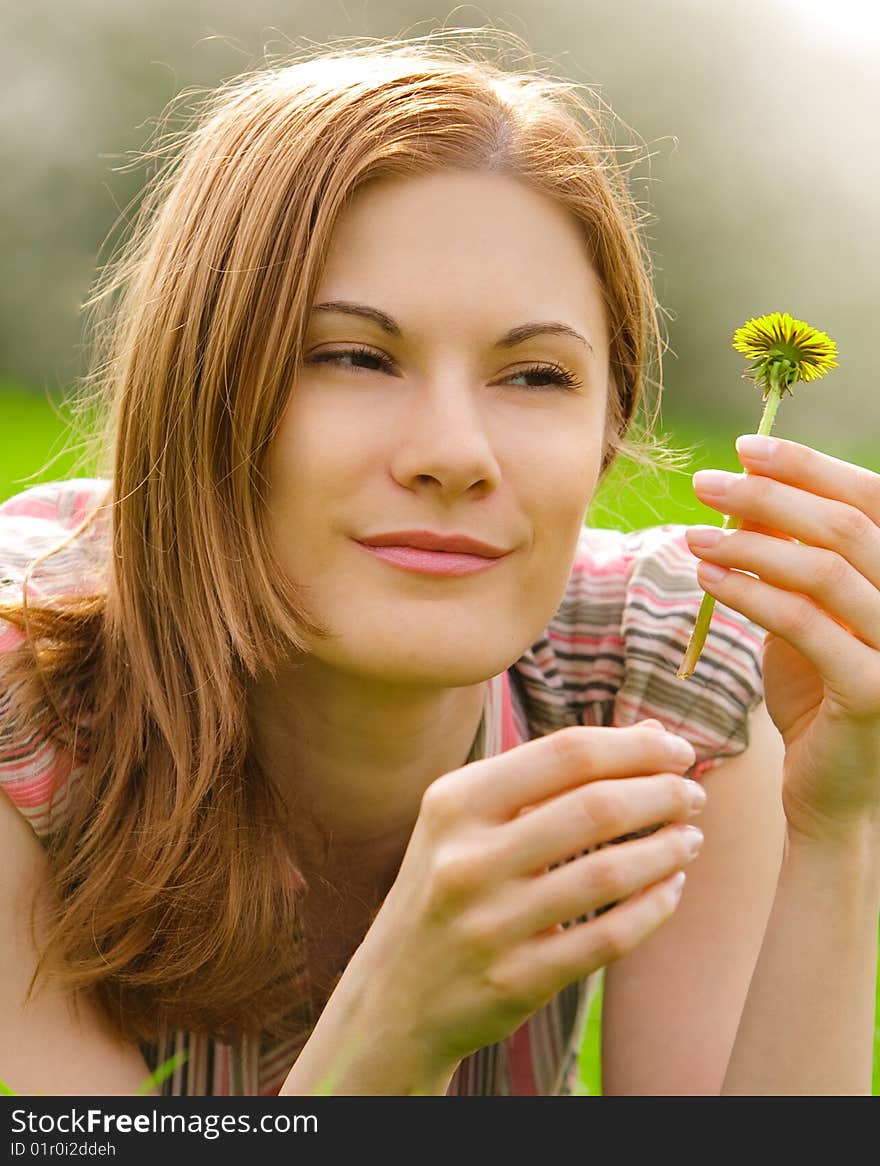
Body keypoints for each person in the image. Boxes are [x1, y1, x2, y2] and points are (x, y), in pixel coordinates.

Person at [1, 34, 878, 1098]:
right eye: (355, 356)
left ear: (608, 425)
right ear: (199, 393)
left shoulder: (665, 673)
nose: (456, 452)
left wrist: (832, 832)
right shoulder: (26, 705)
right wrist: (388, 1037)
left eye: (534, 373)